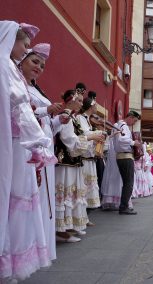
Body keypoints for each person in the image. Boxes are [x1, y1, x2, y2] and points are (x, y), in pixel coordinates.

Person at [0, 21, 58, 281]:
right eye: (24, 44)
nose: (26, 48)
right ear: (12, 40)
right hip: (14, 144)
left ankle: (10, 258)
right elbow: (21, 110)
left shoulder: (9, 68)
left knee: (16, 202)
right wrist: (37, 145)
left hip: (18, 142)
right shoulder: (6, 68)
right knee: (12, 199)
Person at [20, 42, 70, 261]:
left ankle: (41, 248)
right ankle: (26, 248)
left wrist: (58, 119)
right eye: (34, 61)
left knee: (43, 196)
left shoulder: (36, 89)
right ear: (21, 61)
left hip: (44, 149)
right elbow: (21, 112)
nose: (39, 67)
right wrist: (45, 110)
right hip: (28, 150)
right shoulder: (17, 85)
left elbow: (46, 124)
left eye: (42, 64)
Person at [55, 90, 102, 241]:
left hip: (73, 162)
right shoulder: (66, 117)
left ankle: (69, 226)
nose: (82, 104)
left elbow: (77, 139)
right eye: (80, 101)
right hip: (66, 162)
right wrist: (91, 137)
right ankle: (60, 230)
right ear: (72, 100)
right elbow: (70, 140)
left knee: (73, 195)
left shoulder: (73, 118)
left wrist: (91, 139)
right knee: (65, 195)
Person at [77, 96, 103, 223]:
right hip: (84, 159)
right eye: (95, 105)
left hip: (90, 158)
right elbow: (83, 135)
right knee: (84, 188)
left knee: (88, 188)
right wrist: (96, 134)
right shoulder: (80, 118)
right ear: (91, 106)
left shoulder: (86, 119)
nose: (97, 107)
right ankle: (82, 216)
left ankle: (85, 216)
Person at [114, 110, 141, 215]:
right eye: (134, 120)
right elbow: (122, 139)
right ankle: (124, 207)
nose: (133, 123)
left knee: (126, 183)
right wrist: (134, 142)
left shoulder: (118, 125)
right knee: (128, 183)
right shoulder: (124, 126)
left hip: (121, 156)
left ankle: (124, 206)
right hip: (125, 156)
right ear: (130, 117)